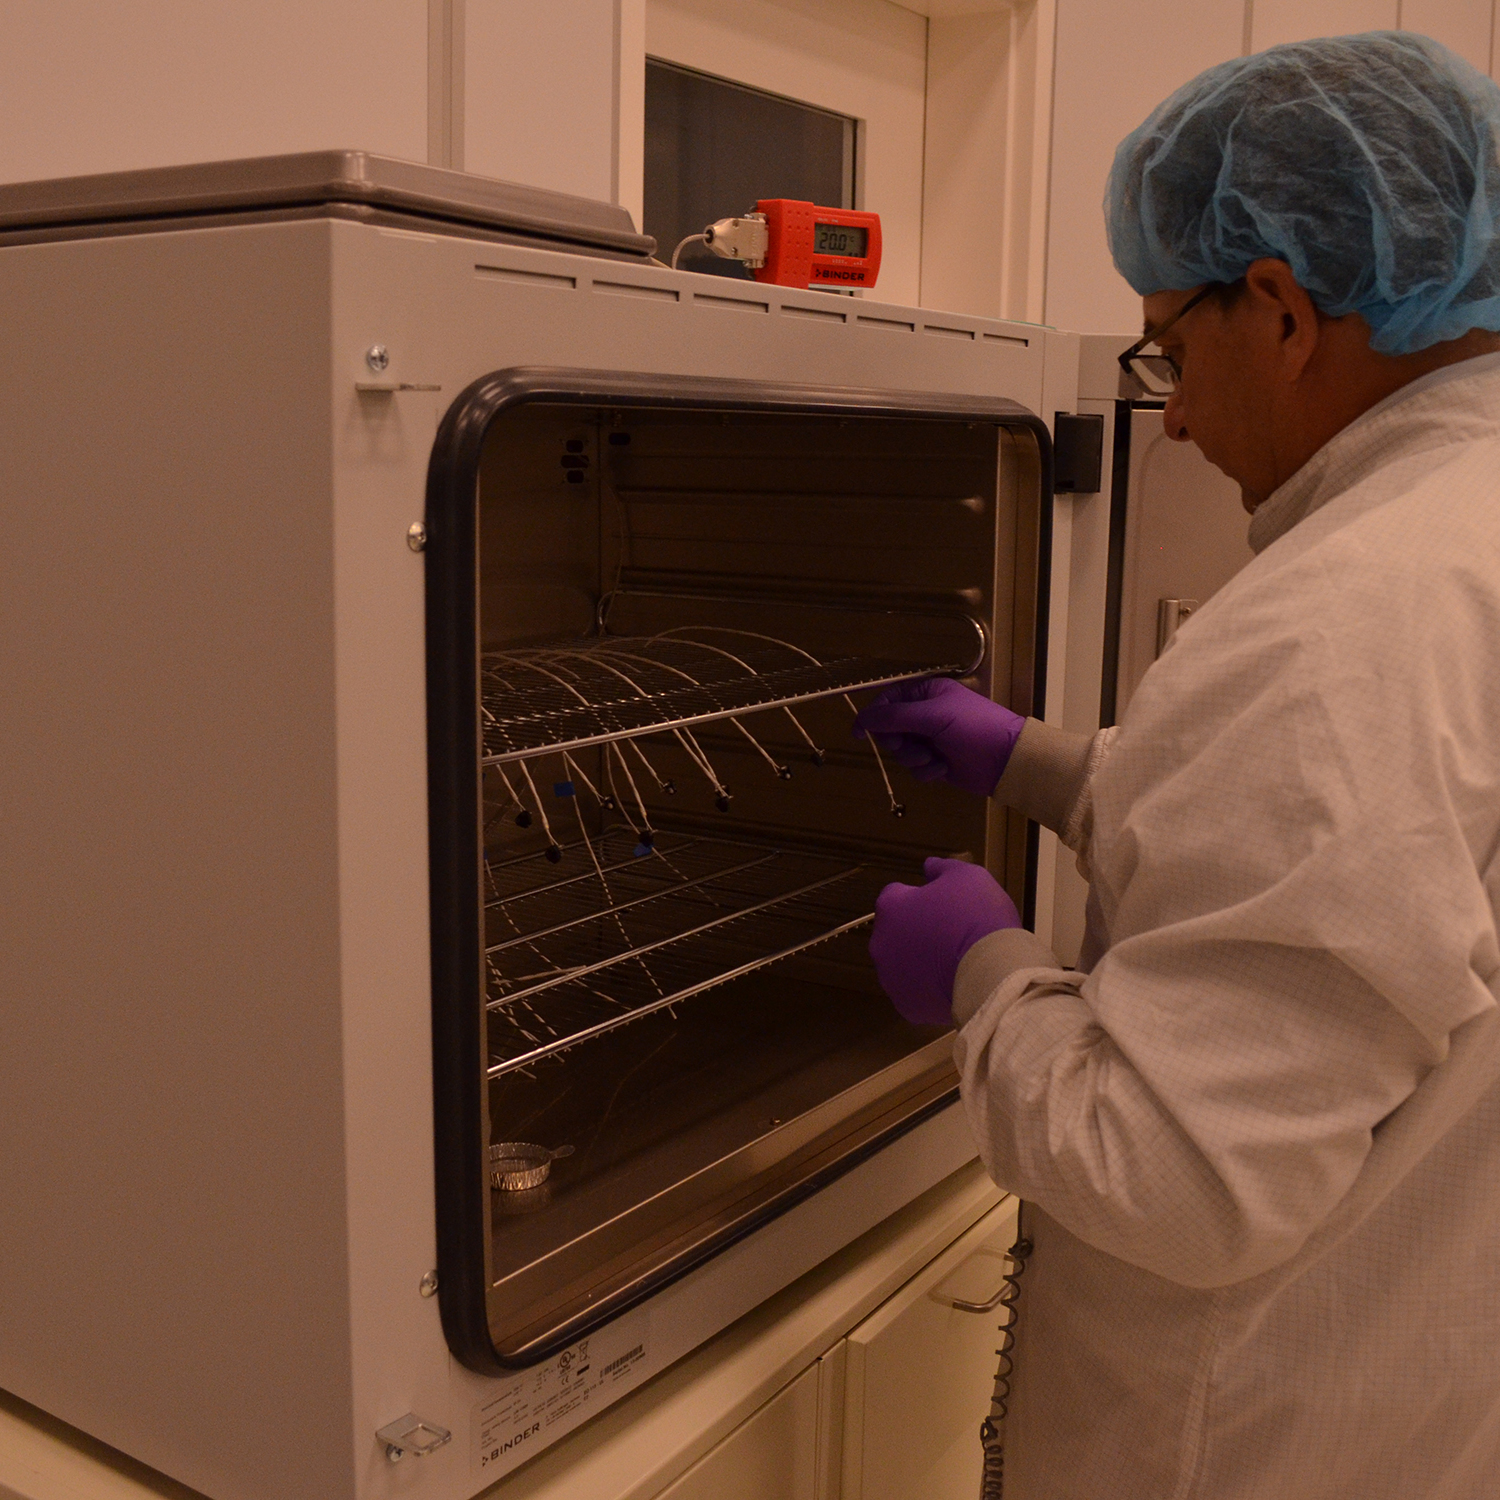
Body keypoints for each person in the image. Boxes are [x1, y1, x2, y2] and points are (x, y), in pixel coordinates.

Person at [856, 31, 1500, 1499]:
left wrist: (987, 974)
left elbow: (1181, 1175)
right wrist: (1051, 768)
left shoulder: (1352, 613)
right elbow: (1385, 862)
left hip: (1247, 1437)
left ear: (1277, 308)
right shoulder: (1468, 527)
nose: (1180, 415)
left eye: (1168, 348)